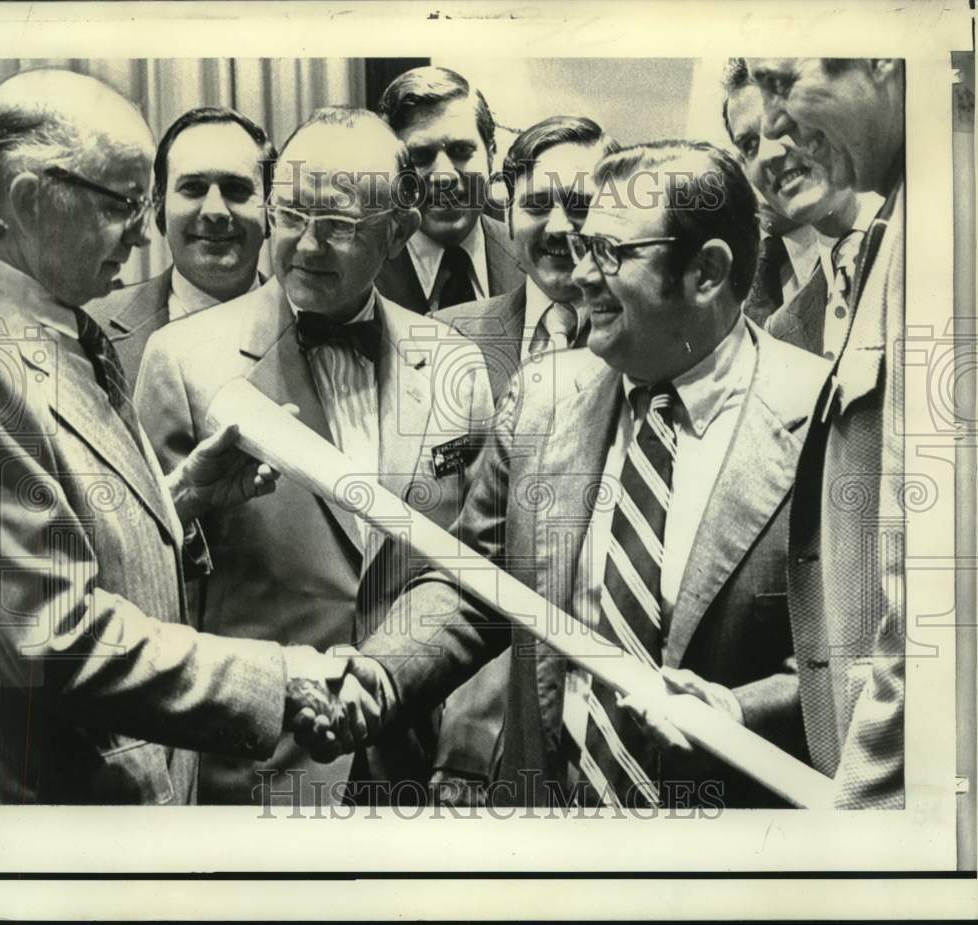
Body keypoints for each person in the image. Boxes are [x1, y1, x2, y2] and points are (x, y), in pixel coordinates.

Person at [305, 141, 830, 808]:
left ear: (707, 271)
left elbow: (855, 659)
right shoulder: (543, 399)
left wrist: (735, 713)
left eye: (609, 252)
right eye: (584, 247)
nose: (580, 275)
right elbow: (473, 586)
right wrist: (379, 673)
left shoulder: (825, 418)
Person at [0, 68, 339, 805]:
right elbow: (54, 635)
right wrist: (274, 677)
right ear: (25, 201)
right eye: (121, 204)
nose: (144, 232)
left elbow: (71, 537)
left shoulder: (63, 326)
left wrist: (175, 502)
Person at [135, 106, 499, 806]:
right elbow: (144, 585)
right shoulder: (183, 361)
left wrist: (466, 756)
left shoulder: (453, 362)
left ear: (397, 232)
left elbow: (480, 572)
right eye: (291, 214)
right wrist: (185, 508)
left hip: (417, 776)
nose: (306, 244)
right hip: (256, 777)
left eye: (336, 224)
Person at [747, 57, 906, 808]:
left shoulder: (930, 235)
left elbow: (934, 588)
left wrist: (863, 804)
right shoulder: (788, 320)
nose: (774, 133)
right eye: (746, 141)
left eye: (784, 85)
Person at [88, 107, 276, 391]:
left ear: (272, 209)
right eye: (193, 188)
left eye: (236, 189)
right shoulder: (88, 328)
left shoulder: (313, 331)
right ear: (159, 204)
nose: (214, 211)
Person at [436, 114, 619, 402]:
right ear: (508, 218)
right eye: (537, 205)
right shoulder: (446, 335)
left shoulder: (648, 341)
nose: (557, 227)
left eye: (580, 206)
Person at [723, 59, 882, 360]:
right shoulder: (781, 329)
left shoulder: (944, 240)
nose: (768, 154)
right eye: (750, 145)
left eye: (785, 122)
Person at [375, 66, 525, 313]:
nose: (444, 176)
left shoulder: (529, 256)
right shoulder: (363, 268)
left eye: (461, 151)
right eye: (420, 156)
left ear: (491, 154)